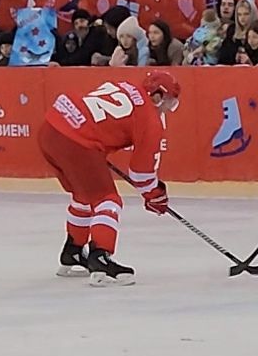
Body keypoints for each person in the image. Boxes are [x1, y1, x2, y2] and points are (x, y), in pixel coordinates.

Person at [37, 70, 181, 285]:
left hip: (50, 128)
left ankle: (73, 252)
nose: (168, 109)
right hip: (76, 140)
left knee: (84, 194)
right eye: (169, 102)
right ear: (158, 96)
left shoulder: (123, 85)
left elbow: (98, 118)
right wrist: (155, 195)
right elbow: (141, 172)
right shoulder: (150, 119)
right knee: (107, 199)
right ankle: (100, 259)